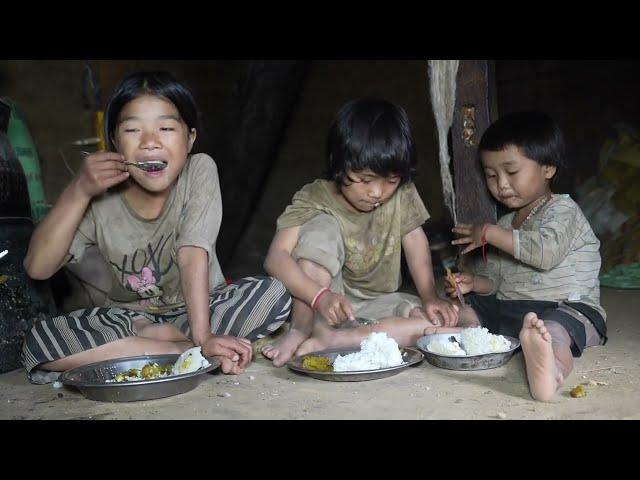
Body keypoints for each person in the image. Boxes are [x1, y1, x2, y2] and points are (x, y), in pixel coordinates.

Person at [21, 71, 291, 383]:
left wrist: (202, 334)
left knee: (272, 294)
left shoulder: (199, 170)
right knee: (39, 340)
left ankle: (156, 347)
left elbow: (192, 252)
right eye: (133, 130)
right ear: (114, 141)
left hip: (202, 308)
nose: (150, 142)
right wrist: (78, 190)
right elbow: (38, 268)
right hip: (129, 319)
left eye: (165, 128)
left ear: (189, 139)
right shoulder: (98, 195)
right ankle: (182, 353)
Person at [261, 98, 459, 367]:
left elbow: (415, 241)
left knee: (441, 321)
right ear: (340, 165)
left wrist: (430, 297)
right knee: (322, 226)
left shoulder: (403, 194)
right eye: (365, 180)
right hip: (322, 303)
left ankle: (334, 340)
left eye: (390, 181)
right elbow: (276, 258)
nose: (377, 193)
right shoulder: (314, 197)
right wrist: (319, 297)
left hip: (381, 302)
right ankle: (301, 330)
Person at [447, 111, 607, 401]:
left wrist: (489, 234)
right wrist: (473, 283)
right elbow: (497, 281)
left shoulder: (563, 210)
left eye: (512, 171)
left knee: (554, 330)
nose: (501, 184)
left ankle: (553, 369)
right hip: (517, 311)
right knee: (472, 306)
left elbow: (544, 253)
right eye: (491, 175)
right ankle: (470, 335)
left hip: (568, 307)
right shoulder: (506, 224)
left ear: (548, 168)